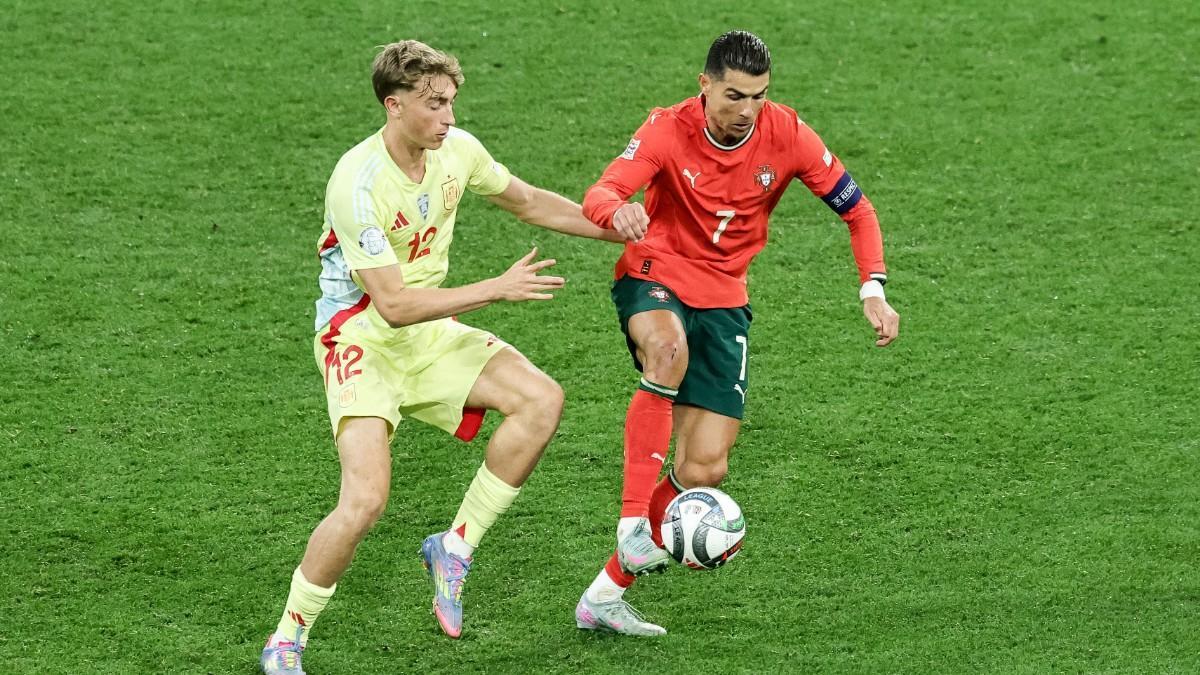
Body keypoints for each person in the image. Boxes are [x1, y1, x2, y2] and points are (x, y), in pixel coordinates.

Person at [260, 40, 620, 674]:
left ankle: (454, 548)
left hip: (428, 335)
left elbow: (527, 201)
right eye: (434, 105)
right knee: (365, 501)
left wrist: (616, 226)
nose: (449, 116)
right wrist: (497, 289)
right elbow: (393, 304)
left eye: (451, 101)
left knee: (541, 400)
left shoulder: (457, 151)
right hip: (361, 340)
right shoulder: (358, 182)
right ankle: (289, 635)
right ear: (394, 105)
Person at [573, 30, 901, 636]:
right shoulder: (667, 128)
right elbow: (604, 189)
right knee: (666, 350)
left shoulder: (788, 133)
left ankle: (603, 596)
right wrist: (614, 210)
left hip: (725, 297)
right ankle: (630, 524)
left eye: (758, 96)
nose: (745, 110)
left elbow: (858, 209)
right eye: (732, 95)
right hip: (656, 272)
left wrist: (872, 289)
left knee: (704, 469)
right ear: (704, 86)